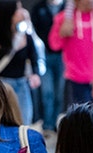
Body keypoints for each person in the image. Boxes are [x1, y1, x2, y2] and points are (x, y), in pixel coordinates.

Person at [0, 0, 44, 125]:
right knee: (2, 122)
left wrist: (35, 73)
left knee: (24, 121)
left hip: (21, 84)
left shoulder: (24, 33)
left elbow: (34, 56)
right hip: (1, 84)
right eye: (17, 9)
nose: (22, 12)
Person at [49, 0, 93, 110]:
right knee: (82, 118)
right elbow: (54, 45)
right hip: (76, 78)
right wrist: (62, 32)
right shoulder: (64, 18)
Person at [31, 0, 65, 131]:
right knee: (47, 92)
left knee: (59, 93)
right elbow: (33, 34)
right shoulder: (38, 8)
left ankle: (57, 123)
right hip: (44, 56)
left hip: (62, 57)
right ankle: (48, 125)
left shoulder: (67, 7)